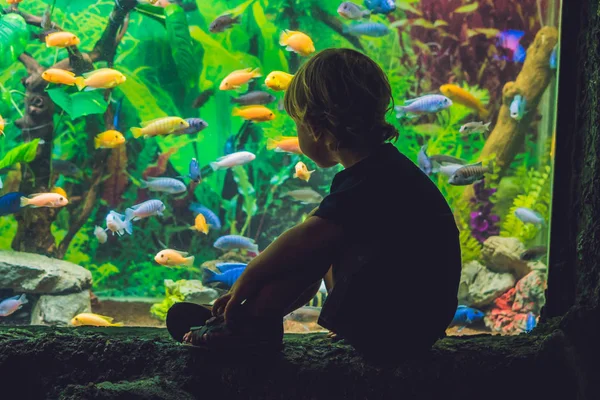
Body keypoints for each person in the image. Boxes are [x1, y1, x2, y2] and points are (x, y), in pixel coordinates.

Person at [166, 48, 461, 364]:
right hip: (414, 326)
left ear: (316, 126)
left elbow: (304, 242)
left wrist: (245, 281)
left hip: (394, 330)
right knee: (321, 232)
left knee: (316, 240)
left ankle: (251, 323)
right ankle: (255, 320)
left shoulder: (370, 181)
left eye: (296, 123)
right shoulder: (386, 172)